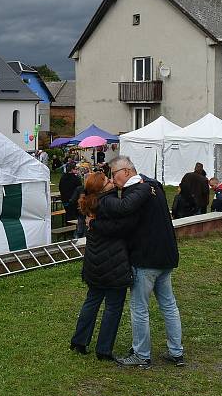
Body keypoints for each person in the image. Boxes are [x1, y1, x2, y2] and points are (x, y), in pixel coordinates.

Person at [100, 156, 184, 368]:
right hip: (165, 255)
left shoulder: (137, 191)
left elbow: (125, 221)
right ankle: (176, 352)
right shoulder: (152, 185)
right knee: (168, 305)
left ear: (127, 172)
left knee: (139, 308)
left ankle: (142, 354)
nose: (113, 179)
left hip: (146, 258)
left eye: (114, 174)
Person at [70, 172, 134, 361]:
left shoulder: (92, 204)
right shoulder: (110, 203)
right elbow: (121, 227)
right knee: (113, 307)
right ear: (100, 189)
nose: (111, 181)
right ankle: (104, 349)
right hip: (113, 263)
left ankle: (79, 340)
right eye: (107, 181)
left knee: (92, 301)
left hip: (94, 262)